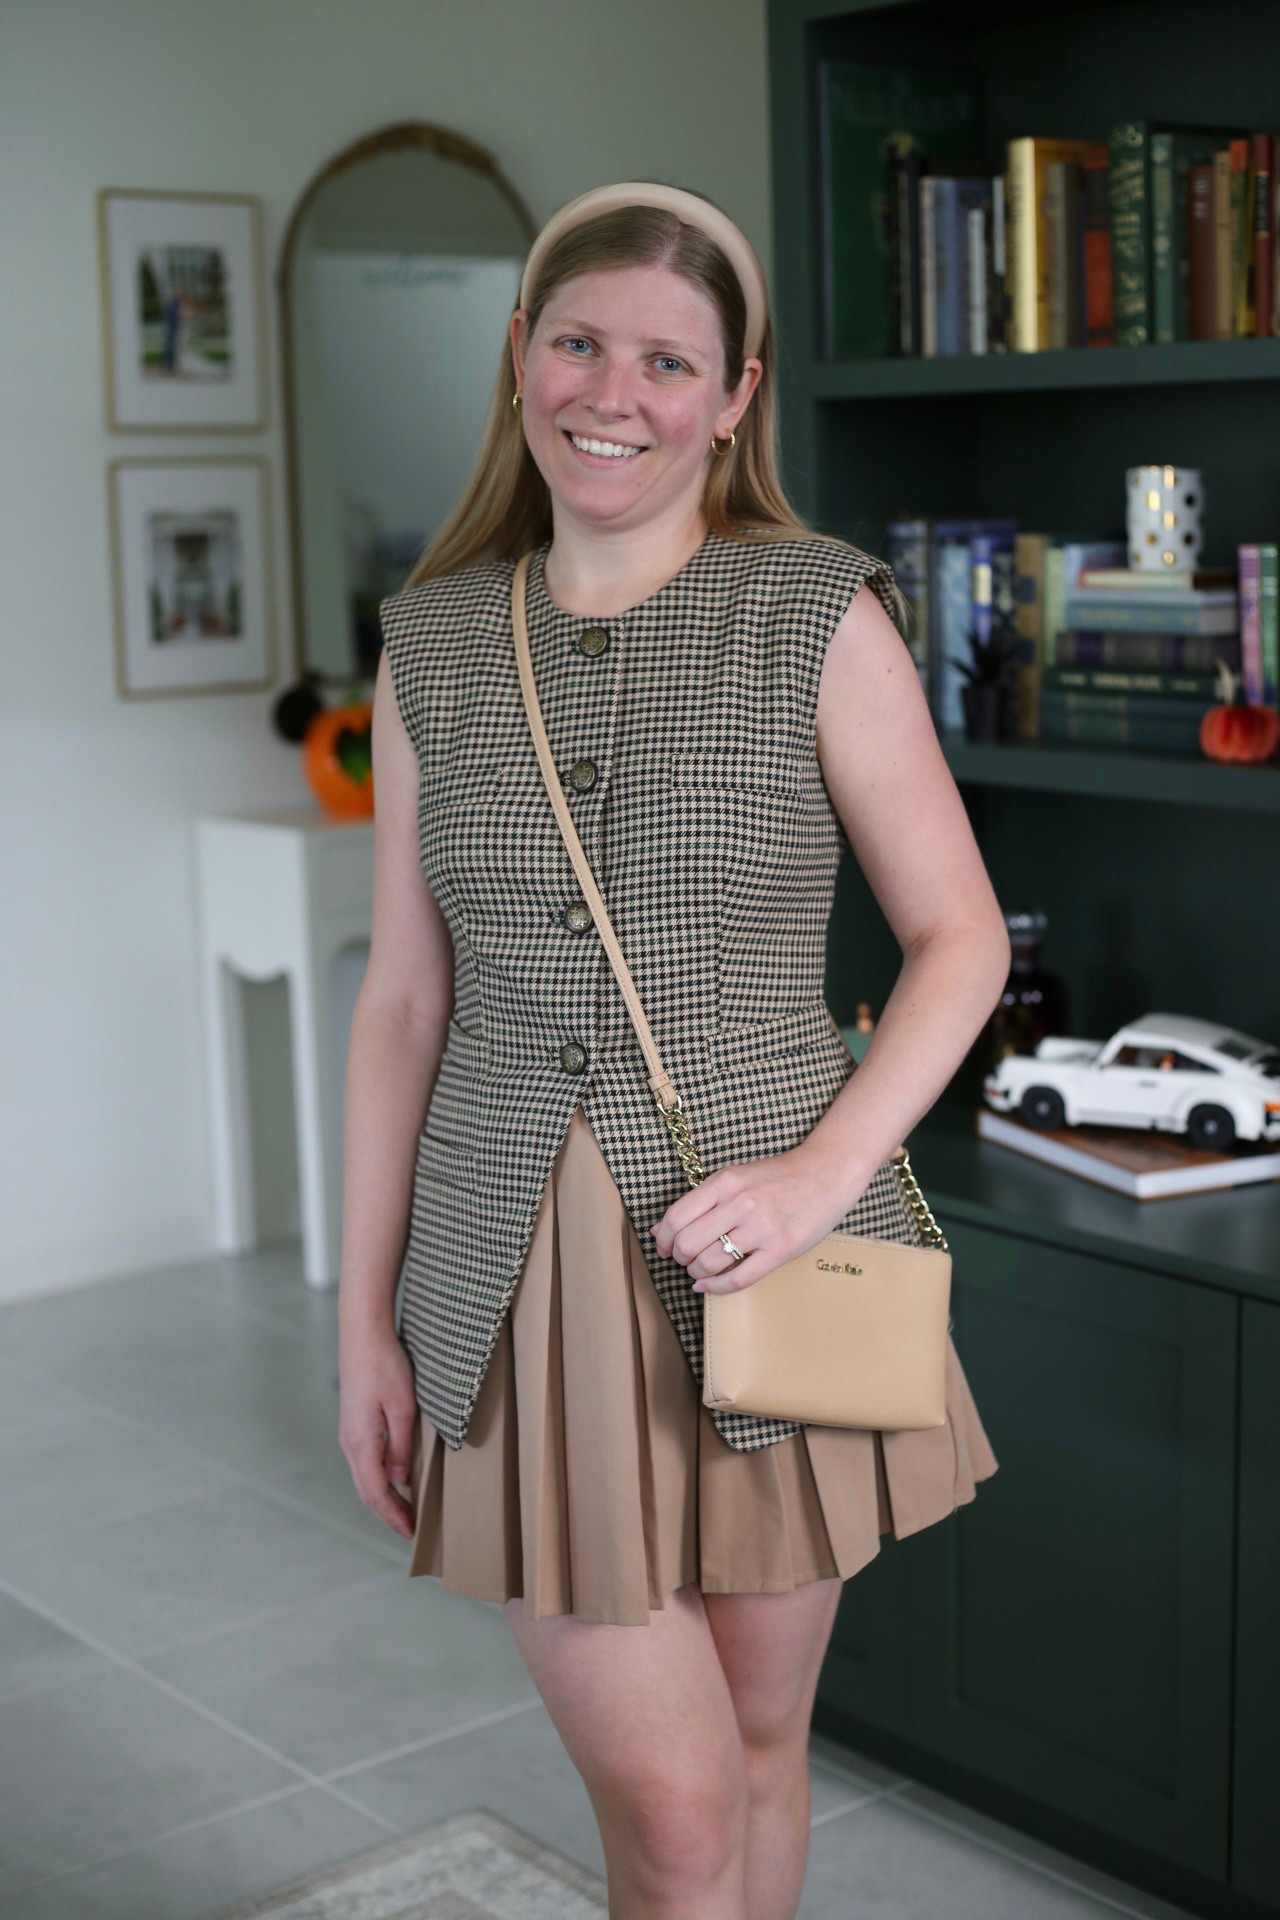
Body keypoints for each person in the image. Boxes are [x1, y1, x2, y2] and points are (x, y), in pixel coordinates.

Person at [339, 179, 1006, 1920]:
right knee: (681, 1814)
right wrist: (358, 1319)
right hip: (517, 1270)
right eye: (577, 341)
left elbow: (962, 941)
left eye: (664, 359)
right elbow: (407, 1003)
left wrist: (817, 1177)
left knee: (771, 1751)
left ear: (733, 394)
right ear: (517, 357)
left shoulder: (817, 613)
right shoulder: (429, 648)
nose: (609, 393)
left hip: (776, 1248)